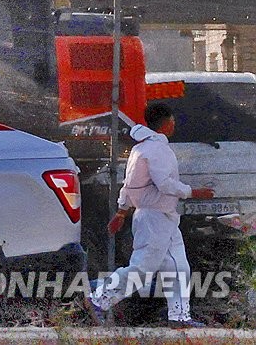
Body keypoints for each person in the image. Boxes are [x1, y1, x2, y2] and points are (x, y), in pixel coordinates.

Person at [86, 101, 215, 327]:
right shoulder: (158, 150)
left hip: (161, 218)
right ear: (165, 124)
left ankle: (179, 316)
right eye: (172, 121)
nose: (174, 125)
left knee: (179, 267)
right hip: (155, 218)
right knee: (142, 269)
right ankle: (99, 297)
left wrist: (122, 212)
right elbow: (164, 184)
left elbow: (130, 185)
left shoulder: (141, 149)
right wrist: (193, 191)